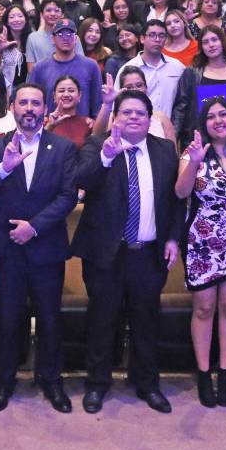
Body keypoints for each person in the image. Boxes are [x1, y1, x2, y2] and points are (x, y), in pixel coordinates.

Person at [74, 90, 184, 414]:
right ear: (115, 118)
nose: (133, 117)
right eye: (127, 112)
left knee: (146, 321)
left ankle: (147, 384)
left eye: (140, 113)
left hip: (148, 254)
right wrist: (106, 158)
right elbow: (80, 181)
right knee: (102, 320)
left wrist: (174, 238)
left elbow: (177, 200)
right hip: (106, 254)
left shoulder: (165, 150)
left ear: (150, 119)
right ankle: (97, 385)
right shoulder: (98, 145)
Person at [0, 84, 78, 413]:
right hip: (9, 250)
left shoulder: (62, 147)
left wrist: (33, 227)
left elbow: (67, 196)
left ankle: (52, 381)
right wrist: (5, 167)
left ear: (44, 107)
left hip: (46, 246)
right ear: (13, 108)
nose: (29, 108)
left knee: (49, 318)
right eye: (23, 103)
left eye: (35, 103)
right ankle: (4, 381)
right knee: (8, 318)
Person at [175, 98, 226, 407]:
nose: (218, 120)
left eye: (223, 114)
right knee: (204, 309)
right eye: (211, 117)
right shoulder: (194, 152)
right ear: (204, 124)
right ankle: (204, 371)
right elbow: (181, 192)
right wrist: (195, 161)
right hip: (202, 242)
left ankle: (225, 371)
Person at [172, 25, 226, 148]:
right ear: (201, 47)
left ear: (222, 42)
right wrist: (174, 137)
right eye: (205, 42)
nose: (211, 45)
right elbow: (180, 108)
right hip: (198, 139)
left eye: (214, 40)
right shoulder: (191, 72)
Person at [29, 19, 103, 119]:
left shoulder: (91, 66)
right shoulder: (39, 68)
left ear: (76, 39)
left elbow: (97, 104)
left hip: (83, 129)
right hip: (49, 128)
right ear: (53, 39)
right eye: (60, 35)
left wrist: (94, 121)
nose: (65, 38)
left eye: (69, 35)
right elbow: (33, 102)